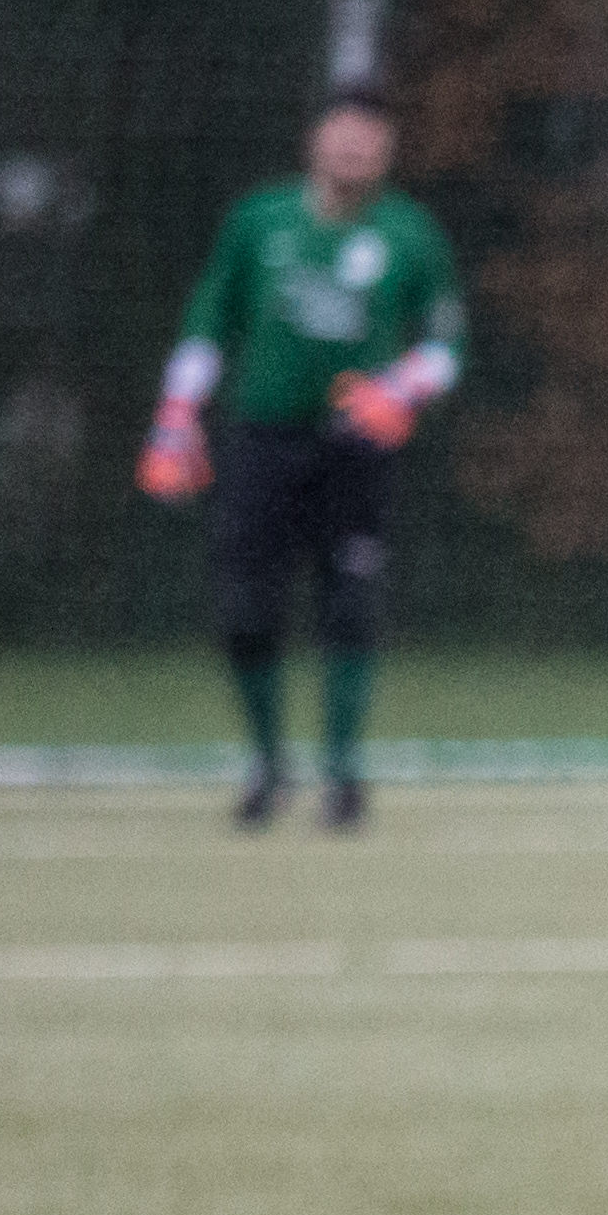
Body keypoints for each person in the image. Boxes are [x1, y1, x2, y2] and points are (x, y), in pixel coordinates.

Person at [138, 87, 464, 836]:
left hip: (357, 452)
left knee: (350, 609)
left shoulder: (409, 234)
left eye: (371, 138)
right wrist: (177, 413)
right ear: (315, 139)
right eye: (343, 132)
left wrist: (400, 387)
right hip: (264, 440)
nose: (354, 148)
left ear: (387, 152)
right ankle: (268, 765)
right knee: (248, 611)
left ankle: (343, 774)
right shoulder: (261, 220)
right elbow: (209, 315)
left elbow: (448, 342)